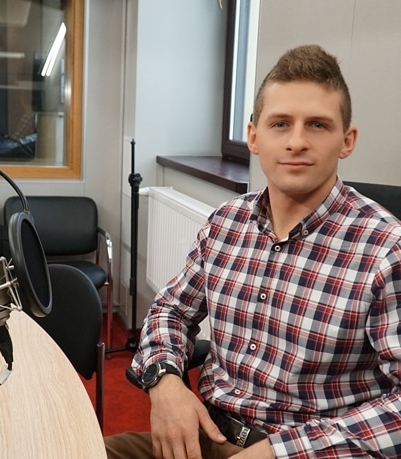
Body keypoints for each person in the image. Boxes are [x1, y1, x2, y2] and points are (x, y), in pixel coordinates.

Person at [105, 44, 401, 458]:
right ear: (254, 137)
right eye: (280, 124)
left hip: (306, 450)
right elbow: (171, 310)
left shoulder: (385, 249)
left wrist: (276, 452)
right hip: (208, 435)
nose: (296, 142)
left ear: (346, 141)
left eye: (317, 125)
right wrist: (165, 381)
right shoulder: (226, 223)